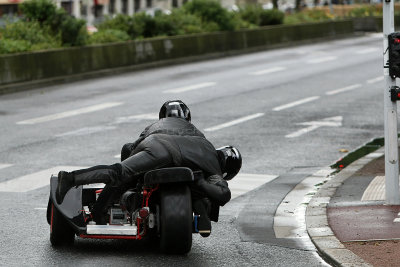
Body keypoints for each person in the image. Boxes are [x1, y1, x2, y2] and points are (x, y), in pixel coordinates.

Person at [55, 100, 242, 236]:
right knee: (125, 175)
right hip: (172, 158)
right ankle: (199, 207)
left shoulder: (165, 127)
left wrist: (126, 176)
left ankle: (72, 181)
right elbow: (223, 195)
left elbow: (132, 147)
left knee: (119, 173)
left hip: (156, 146)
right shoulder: (207, 148)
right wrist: (200, 183)